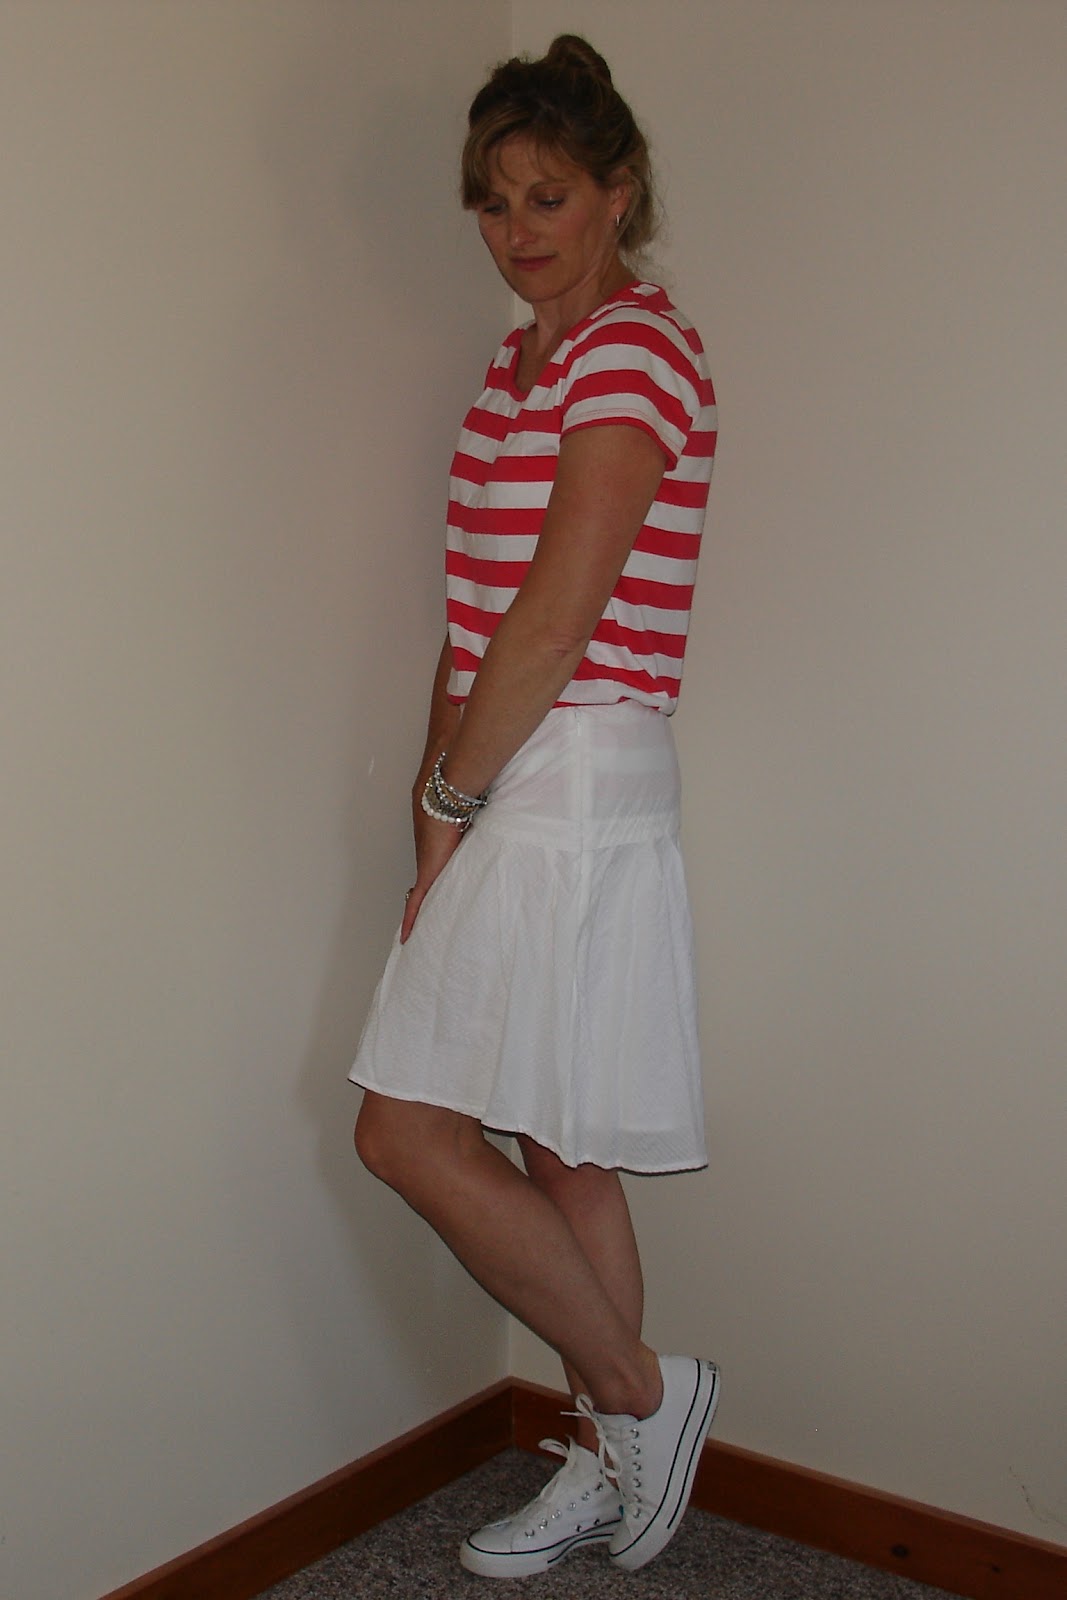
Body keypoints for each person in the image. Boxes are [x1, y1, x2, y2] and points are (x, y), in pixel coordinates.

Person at [351, 34, 719, 1578]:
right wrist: (433, 817)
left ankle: (640, 1395)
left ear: (618, 193)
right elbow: (474, 614)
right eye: (494, 202)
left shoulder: (634, 351)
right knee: (559, 1144)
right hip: (511, 771)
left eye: (548, 196)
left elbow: (557, 622)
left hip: (571, 768)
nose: (518, 230)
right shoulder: (516, 368)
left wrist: (463, 785)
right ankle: (613, 1442)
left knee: (403, 1132)